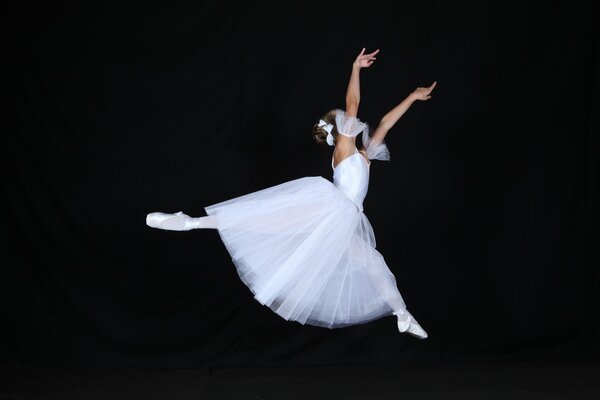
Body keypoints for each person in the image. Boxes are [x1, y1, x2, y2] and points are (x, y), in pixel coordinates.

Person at [146, 48, 436, 339]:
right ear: (341, 129)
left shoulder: (365, 154)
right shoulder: (344, 149)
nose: (351, 119)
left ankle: (402, 314)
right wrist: (355, 69)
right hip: (330, 206)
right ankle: (189, 222)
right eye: (344, 119)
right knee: (262, 220)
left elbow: (385, 123)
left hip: (345, 219)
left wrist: (412, 97)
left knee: (374, 264)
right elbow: (353, 102)